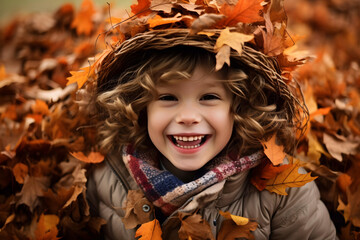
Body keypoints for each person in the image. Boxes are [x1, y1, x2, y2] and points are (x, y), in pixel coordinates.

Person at [85, 1, 337, 239]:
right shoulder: (108, 180)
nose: (187, 117)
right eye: (168, 98)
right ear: (142, 107)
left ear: (239, 108)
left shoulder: (284, 190)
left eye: (208, 97)